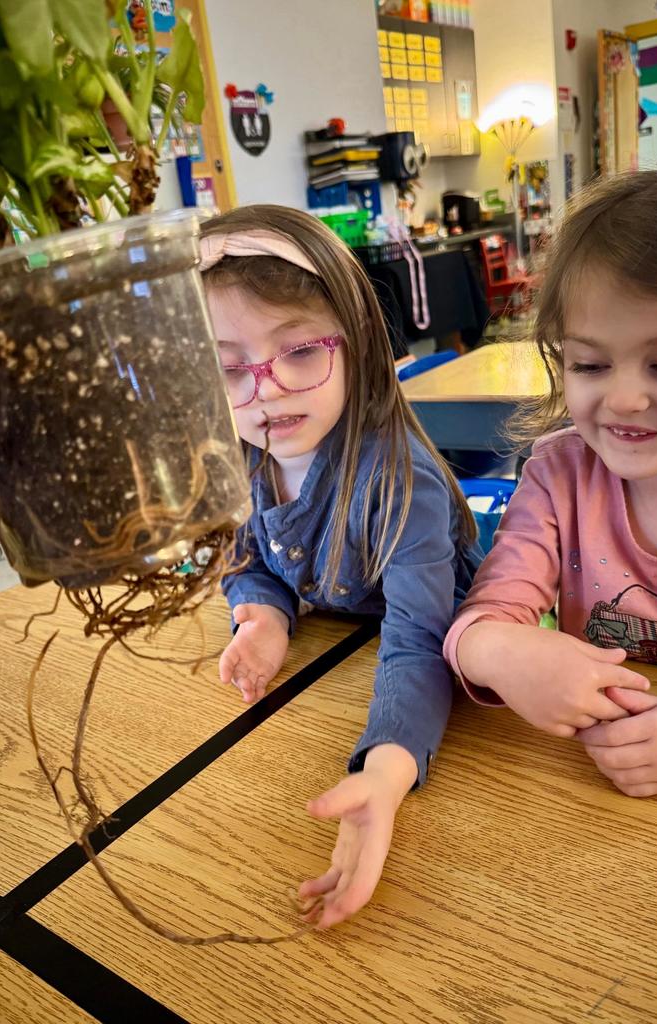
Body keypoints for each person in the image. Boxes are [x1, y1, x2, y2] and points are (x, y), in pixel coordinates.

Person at [200, 205, 482, 927]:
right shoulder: (246, 458)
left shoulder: (400, 483)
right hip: (334, 654)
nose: (265, 388)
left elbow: (419, 639)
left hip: (428, 656)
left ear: (357, 343)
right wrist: (262, 615)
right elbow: (250, 556)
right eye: (231, 367)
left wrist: (384, 773)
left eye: (300, 352)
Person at [444, 168, 657, 797]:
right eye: (589, 363)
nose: (620, 398)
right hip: (581, 800)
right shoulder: (557, 475)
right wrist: (503, 650)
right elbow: (482, 620)